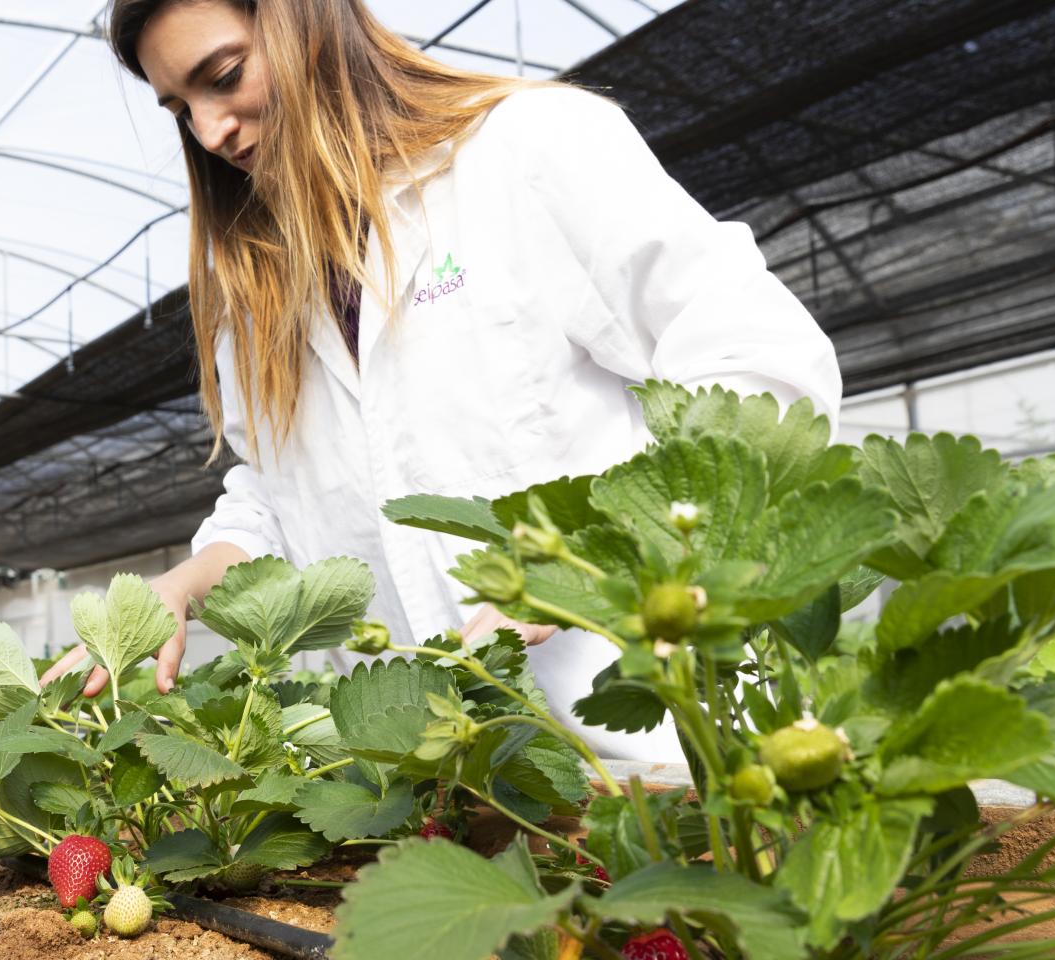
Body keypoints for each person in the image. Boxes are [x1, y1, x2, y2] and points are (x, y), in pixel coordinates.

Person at [41, 0, 841, 760]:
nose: (210, 131)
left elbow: (758, 364)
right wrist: (175, 586)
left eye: (223, 77)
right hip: (433, 771)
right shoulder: (251, 288)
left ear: (307, 25)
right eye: (180, 108)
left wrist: (587, 566)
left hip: (658, 746)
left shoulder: (529, 149)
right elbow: (280, 494)